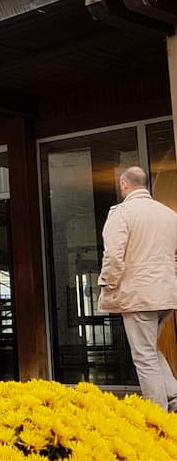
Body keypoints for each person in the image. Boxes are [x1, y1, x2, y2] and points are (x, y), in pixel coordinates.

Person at [98, 165, 177, 412]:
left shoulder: (122, 213)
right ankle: (174, 397)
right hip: (166, 293)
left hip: (138, 295)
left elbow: (113, 254)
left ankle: (157, 414)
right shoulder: (169, 214)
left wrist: (108, 282)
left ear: (124, 184)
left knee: (143, 357)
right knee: (150, 349)